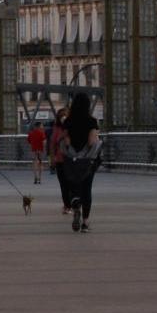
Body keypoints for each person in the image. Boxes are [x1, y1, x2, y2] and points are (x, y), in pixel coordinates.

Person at [61, 93, 101, 232]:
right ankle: (85, 223)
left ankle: (76, 206)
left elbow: (66, 142)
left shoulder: (68, 121)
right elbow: (91, 142)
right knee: (87, 189)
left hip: (71, 160)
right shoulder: (92, 121)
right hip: (87, 161)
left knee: (73, 186)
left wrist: (72, 152)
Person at [48, 108, 72, 213]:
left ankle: (72, 203)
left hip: (71, 160)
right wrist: (52, 159)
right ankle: (67, 205)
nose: (63, 117)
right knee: (63, 184)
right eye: (61, 116)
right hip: (60, 160)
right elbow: (52, 143)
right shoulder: (56, 128)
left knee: (71, 183)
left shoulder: (72, 127)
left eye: (65, 115)